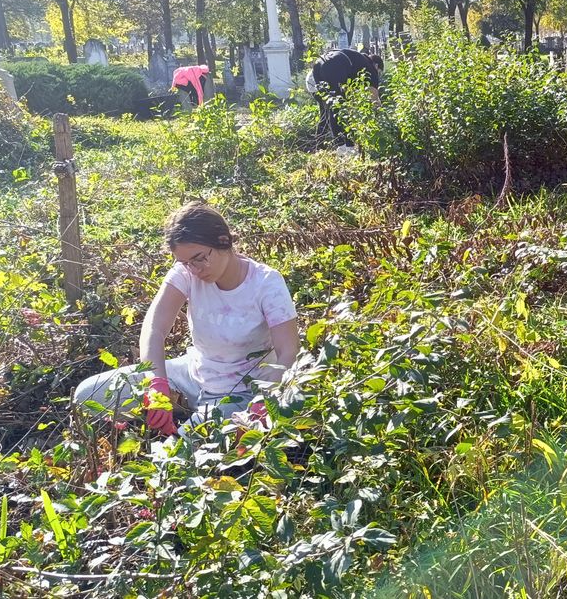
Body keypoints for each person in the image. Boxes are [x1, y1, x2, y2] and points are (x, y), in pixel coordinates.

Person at [74, 202, 300, 436]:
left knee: (177, 454)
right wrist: (157, 385)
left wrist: (265, 400)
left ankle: (191, 423)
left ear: (223, 241)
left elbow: (288, 351)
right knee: (87, 396)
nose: (195, 269)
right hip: (191, 376)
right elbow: (154, 327)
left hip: (242, 391)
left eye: (199, 258)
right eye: (186, 263)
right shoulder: (186, 273)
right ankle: (180, 407)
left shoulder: (266, 283)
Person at [307, 47, 383, 146]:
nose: (378, 74)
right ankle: (343, 145)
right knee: (337, 106)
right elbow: (374, 99)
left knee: (326, 107)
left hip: (319, 63)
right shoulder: (371, 68)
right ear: (376, 65)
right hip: (335, 65)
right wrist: (380, 119)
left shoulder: (358, 60)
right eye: (379, 72)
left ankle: (320, 144)